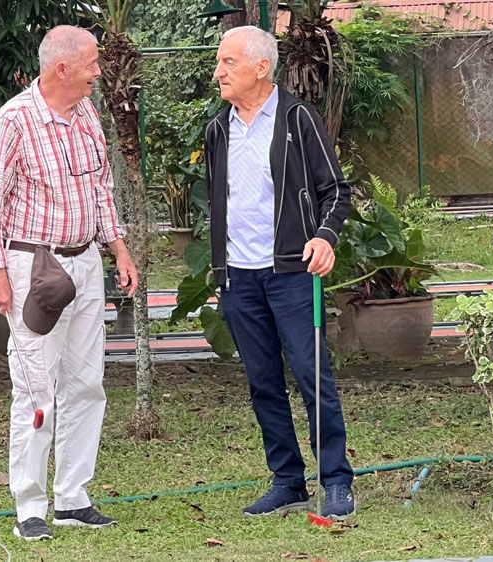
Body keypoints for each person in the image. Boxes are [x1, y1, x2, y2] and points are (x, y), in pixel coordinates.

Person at [0, 25, 138, 541]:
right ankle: (30, 507)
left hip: (85, 261)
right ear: (62, 68)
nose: (98, 73)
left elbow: (101, 188)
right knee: (36, 388)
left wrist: (118, 247)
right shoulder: (14, 119)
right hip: (33, 267)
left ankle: (72, 499)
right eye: (91, 64)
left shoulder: (87, 113)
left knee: (87, 384)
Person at [204, 26, 355, 520]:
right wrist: (220, 268)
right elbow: (219, 201)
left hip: (292, 274)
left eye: (228, 62)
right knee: (263, 383)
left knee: (313, 377)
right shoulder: (217, 129)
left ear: (261, 67)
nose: (218, 71)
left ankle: (336, 479)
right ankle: (288, 481)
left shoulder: (297, 119)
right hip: (238, 278)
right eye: (219, 62)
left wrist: (324, 237)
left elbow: (336, 190)